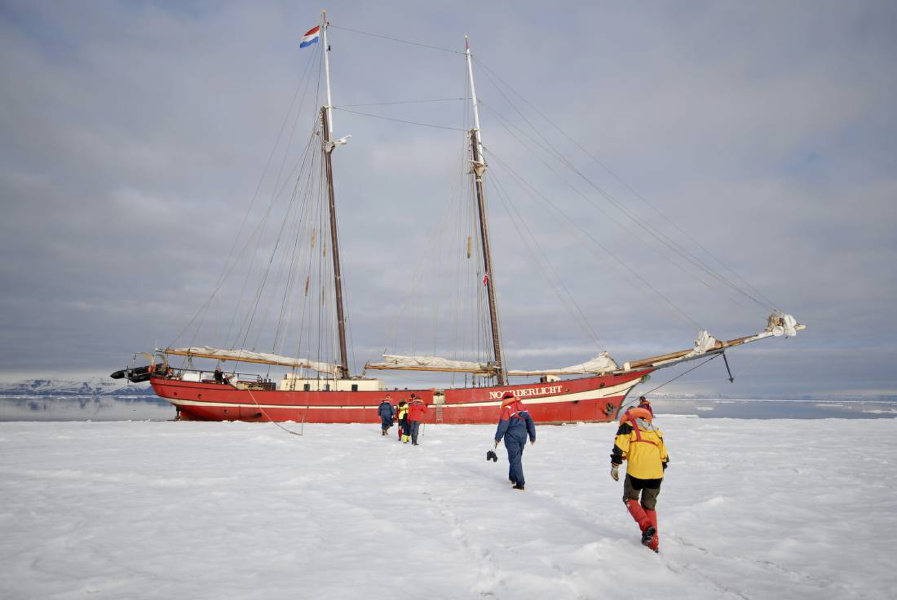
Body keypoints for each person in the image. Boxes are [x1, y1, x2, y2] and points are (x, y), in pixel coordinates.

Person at [610, 396, 669, 553]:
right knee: (649, 505)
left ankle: (647, 527)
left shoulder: (627, 427)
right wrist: (658, 472)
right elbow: (664, 457)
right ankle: (653, 542)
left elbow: (620, 448)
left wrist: (615, 466)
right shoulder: (656, 431)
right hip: (657, 473)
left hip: (637, 471)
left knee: (629, 498)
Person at [494, 391, 536, 490]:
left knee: (515, 459)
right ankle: (512, 477)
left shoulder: (507, 408)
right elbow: (530, 421)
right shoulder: (522, 407)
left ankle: (520, 484)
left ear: (504, 399)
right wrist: (532, 436)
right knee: (516, 457)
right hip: (523, 435)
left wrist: (497, 438)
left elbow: (503, 425)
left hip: (512, 436)